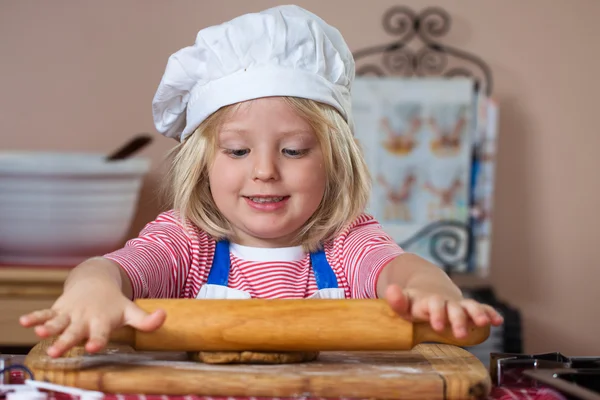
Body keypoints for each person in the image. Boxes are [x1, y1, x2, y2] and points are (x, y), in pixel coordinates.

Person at [19, 5, 503, 358]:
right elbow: (111, 271)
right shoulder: (186, 244)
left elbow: (401, 271)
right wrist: (92, 291)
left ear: (335, 161)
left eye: (293, 150)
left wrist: (430, 290)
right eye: (237, 150)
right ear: (203, 162)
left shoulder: (344, 244)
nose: (265, 171)